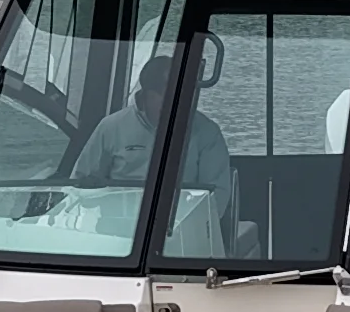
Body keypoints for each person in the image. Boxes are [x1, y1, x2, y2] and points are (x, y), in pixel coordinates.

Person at [62, 51, 239, 224]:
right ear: (146, 92)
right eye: (167, 94)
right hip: (115, 227)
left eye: (182, 94)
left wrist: (183, 227)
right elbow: (78, 186)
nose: (177, 102)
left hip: (178, 229)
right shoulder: (110, 127)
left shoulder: (207, 132)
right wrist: (90, 190)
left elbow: (217, 200)